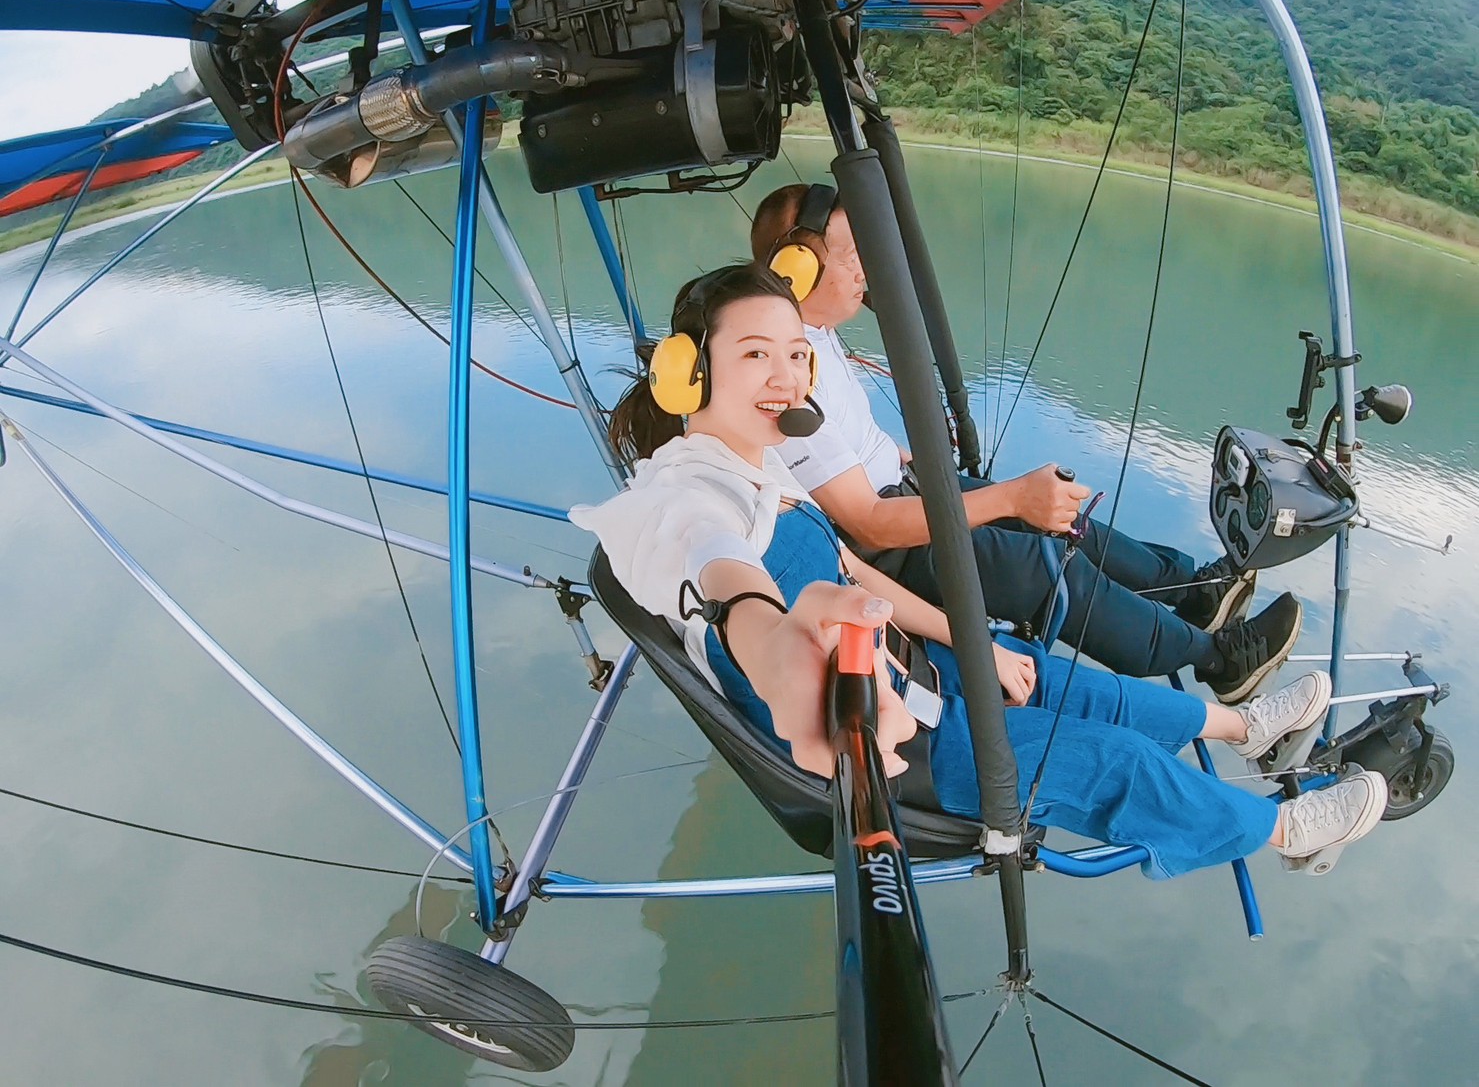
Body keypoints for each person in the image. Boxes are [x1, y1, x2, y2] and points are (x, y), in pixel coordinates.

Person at [571, 263, 1387, 880]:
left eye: (795, 354)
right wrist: (776, 644)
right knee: (1113, 761)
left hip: (917, 671)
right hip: (904, 749)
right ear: (690, 372)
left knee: (1054, 676)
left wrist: (973, 640)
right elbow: (725, 580)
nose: (786, 377)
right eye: (756, 354)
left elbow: (853, 566)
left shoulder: (757, 461)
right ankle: (1285, 833)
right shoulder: (683, 497)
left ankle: (1248, 729)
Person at [748, 183, 1300, 705]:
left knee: (1060, 519)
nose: (865, 269)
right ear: (797, 268)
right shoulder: (784, 375)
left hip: (904, 490)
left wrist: (894, 453)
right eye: (851, 258)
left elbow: (835, 454)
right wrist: (1010, 497)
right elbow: (865, 522)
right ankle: (1218, 662)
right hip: (888, 549)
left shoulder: (808, 331)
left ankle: (1190, 593)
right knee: (1048, 566)